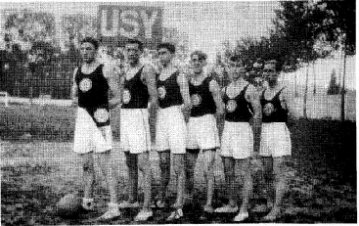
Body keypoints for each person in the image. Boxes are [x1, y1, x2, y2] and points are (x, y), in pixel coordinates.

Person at [71, 37, 121, 220]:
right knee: (86, 164)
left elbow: (118, 96)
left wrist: (102, 109)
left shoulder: (105, 69)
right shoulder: (77, 71)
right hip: (83, 119)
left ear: (96, 50)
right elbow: (74, 96)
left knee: (104, 164)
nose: (85, 51)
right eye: (82, 48)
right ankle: (88, 202)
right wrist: (83, 103)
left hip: (100, 120)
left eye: (89, 48)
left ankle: (114, 206)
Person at [214, 55, 262, 222]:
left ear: (242, 68)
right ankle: (232, 203)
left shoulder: (250, 89)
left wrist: (256, 142)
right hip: (228, 129)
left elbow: (258, 115)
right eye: (231, 66)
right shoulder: (225, 90)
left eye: (237, 66)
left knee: (244, 172)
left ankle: (244, 209)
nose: (234, 69)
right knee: (228, 169)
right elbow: (220, 114)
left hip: (243, 130)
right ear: (228, 68)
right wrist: (220, 134)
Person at [118, 39, 157, 221]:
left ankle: (147, 207)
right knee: (130, 161)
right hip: (126, 116)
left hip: (139, 116)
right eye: (128, 50)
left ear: (140, 51)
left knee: (143, 164)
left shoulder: (146, 69)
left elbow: (154, 97)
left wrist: (150, 119)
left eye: (134, 50)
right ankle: (132, 199)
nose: (131, 53)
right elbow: (122, 97)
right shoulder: (125, 70)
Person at [154, 42, 191, 221]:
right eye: (159, 53)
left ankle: (179, 201)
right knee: (163, 161)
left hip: (175, 116)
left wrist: (181, 122)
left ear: (172, 54)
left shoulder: (180, 75)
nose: (162, 56)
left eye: (165, 53)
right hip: (162, 119)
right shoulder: (157, 75)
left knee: (178, 164)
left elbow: (188, 103)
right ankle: (161, 197)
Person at [184, 50, 224, 214]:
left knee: (208, 166)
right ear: (190, 63)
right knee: (188, 166)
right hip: (193, 123)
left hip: (207, 122)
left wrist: (217, 128)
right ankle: (189, 198)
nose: (196, 63)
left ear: (204, 63)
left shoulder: (211, 82)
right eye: (193, 60)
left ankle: (209, 202)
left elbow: (220, 109)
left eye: (199, 60)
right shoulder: (186, 83)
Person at [258, 60, 296, 221]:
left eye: (271, 71)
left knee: (278, 172)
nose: (268, 74)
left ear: (277, 72)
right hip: (265, 132)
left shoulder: (284, 91)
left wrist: (283, 124)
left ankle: (277, 209)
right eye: (265, 71)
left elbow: (294, 116)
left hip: (279, 131)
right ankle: (270, 201)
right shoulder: (262, 92)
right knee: (267, 172)